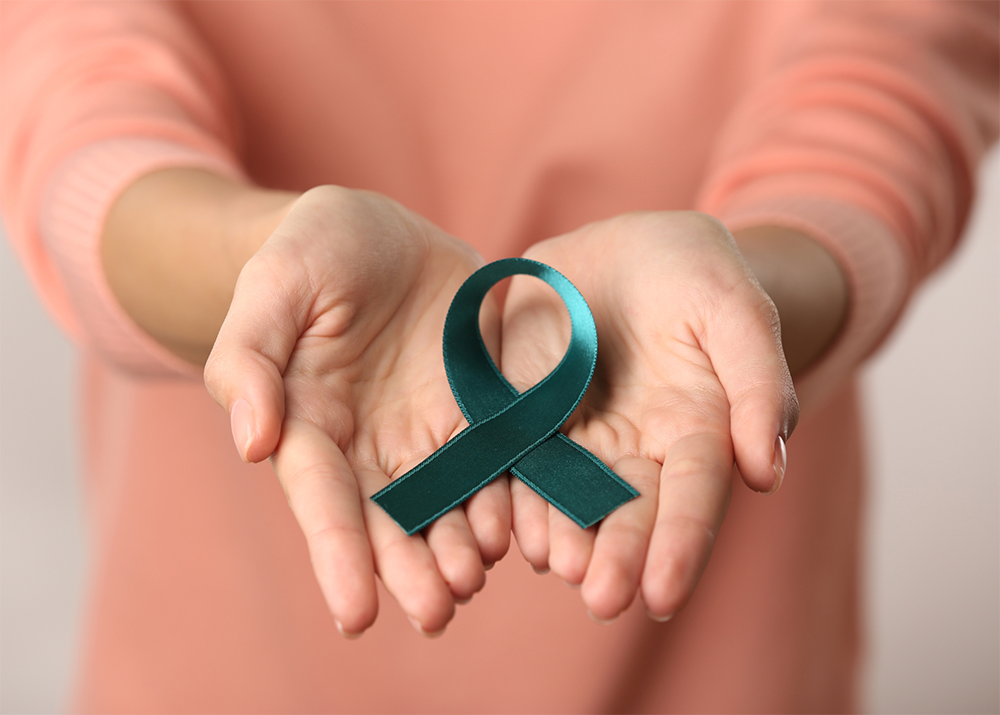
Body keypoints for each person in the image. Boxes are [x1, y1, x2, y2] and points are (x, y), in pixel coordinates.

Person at [1, 0, 997, 712]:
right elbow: (69, 92)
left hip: (712, 650)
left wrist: (743, 301)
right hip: (226, 654)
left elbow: (880, 91)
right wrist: (267, 276)